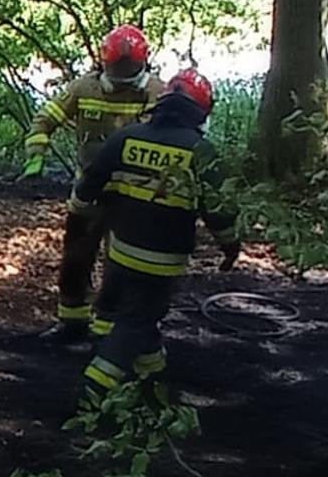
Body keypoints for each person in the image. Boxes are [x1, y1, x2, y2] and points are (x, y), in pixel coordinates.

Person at [69, 68, 239, 401]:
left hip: (119, 253)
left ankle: (152, 379)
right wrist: (231, 247)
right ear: (201, 111)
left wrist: (79, 215)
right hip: (161, 264)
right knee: (137, 321)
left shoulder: (126, 137)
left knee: (125, 314)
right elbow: (219, 211)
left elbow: (88, 185)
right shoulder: (200, 152)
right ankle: (90, 394)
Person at [25, 25, 168, 342]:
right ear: (104, 61)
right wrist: (37, 152)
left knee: (122, 263)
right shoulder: (82, 89)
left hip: (134, 198)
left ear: (143, 62)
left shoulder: (159, 93)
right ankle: (71, 323)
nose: (121, 76)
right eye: (117, 68)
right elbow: (45, 119)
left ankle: (110, 329)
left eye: (128, 69)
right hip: (89, 192)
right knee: (76, 257)